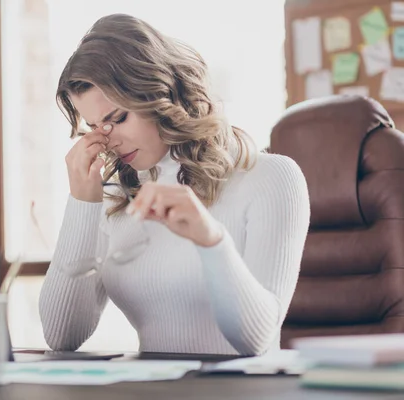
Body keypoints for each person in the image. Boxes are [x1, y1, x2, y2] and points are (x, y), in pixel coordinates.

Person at [38, 13, 310, 356]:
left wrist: (210, 241)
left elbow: (255, 340)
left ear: (161, 93)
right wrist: (82, 203)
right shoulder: (117, 196)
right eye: (95, 127)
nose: (109, 141)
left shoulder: (271, 178)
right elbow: (61, 336)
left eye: (118, 118)